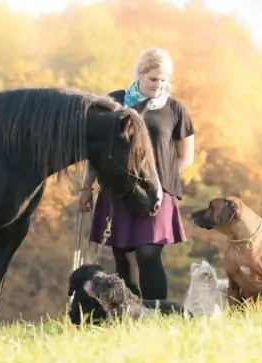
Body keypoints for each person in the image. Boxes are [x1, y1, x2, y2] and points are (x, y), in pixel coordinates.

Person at [78, 47, 195, 301]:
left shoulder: (175, 110)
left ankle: (157, 313)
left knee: (148, 253)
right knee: (123, 254)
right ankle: (130, 315)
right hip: (118, 189)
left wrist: (160, 182)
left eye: (164, 80)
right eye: (154, 79)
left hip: (157, 192)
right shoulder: (113, 103)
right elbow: (96, 149)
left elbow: (186, 156)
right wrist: (87, 187)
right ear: (140, 74)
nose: (159, 85)